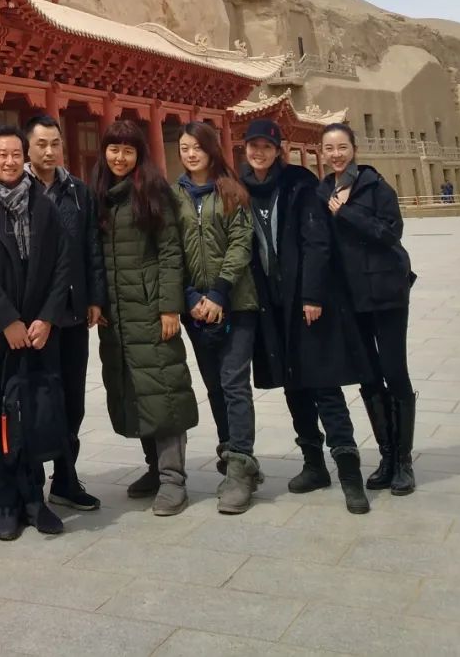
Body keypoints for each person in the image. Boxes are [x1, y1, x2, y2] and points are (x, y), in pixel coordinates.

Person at [241, 119, 371, 515]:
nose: (259, 152)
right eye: (253, 146)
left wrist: (313, 294)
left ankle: (350, 474)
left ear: (278, 150)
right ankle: (313, 465)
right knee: (294, 386)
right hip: (271, 305)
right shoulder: (240, 189)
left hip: (305, 302)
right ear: (245, 149)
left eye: (266, 146)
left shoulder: (299, 183)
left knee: (324, 385)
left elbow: (317, 241)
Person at [0, 125, 71, 542]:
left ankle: (35, 499)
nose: (9, 161)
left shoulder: (44, 206)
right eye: (1, 155)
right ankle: (6, 501)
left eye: (15, 154)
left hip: (39, 330)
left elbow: (62, 263)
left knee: (35, 410)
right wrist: (8, 320)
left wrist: (47, 317)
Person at [91, 121, 198, 515]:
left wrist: (169, 306)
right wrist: (97, 300)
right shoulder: (98, 195)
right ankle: (154, 469)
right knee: (135, 392)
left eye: (128, 150)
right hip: (117, 315)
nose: (120, 158)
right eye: (113, 149)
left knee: (163, 391)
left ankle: (174, 480)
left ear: (140, 154)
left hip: (151, 310)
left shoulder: (153, 192)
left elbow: (170, 252)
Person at [320, 121, 417, 497]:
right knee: (369, 376)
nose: (336, 154)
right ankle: (387, 456)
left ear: (354, 150)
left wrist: (347, 214)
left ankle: (404, 461)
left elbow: (391, 232)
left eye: (342, 147)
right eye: (329, 148)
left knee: (395, 371)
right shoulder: (323, 190)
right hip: (350, 298)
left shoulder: (376, 187)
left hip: (386, 293)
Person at [170, 121, 260, 515]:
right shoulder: (173, 196)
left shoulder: (231, 191)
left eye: (197, 147)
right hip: (195, 308)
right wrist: (192, 296)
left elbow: (242, 243)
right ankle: (230, 455)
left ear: (211, 150)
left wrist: (220, 291)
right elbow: (170, 249)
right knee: (215, 387)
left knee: (234, 382)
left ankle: (241, 466)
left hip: (236, 303)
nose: (191, 154)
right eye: (184, 148)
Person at [23, 112, 106, 512]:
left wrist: (94, 297)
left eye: (55, 143)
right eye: (41, 144)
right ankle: (31, 481)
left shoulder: (77, 190)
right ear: (28, 148)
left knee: (73, 398)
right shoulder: (17, 190)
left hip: (73, 311)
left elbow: (91, 245)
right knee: (39, 397)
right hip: (34, 317)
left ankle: (66, 477)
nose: (50, 151)